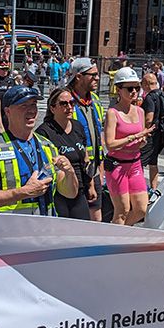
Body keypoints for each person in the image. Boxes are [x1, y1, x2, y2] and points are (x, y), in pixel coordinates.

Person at [0, 85, 78, 214]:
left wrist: (70, 173)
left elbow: (70, 193)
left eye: (33, 104)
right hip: (8, 230)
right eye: (24, 105)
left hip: (43, 230)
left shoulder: (47, 145)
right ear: (8, 111)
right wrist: (24, 192)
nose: (31, 110)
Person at [103, 69, 152, 225]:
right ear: (118, 89)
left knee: (142, 209)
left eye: (137, 88)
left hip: (135, 163)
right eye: (129, 88)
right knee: (122, 210)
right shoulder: (113, 113)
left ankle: (121, 233)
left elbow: (139, 141)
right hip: (117, 166)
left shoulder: (140, 111)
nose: (134, 92)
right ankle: (115, 242)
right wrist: (133, 137)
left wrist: (142, 141)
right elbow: (110, 144)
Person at [36, 88, 92, 220]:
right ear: (53, 108)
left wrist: (91, 186)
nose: (69, 107)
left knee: (83, 231)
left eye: (72, 103)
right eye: (63, 104)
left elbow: (85, 158)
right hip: (59, 192)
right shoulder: (44, 132)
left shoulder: (78, 126)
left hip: (80, 189)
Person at [65, 57, 105, 220]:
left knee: (97, 220)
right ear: (79, 76)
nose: (97, 77)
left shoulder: (94, 101)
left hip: (93, 171)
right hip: (74, 172)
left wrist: (100, 169)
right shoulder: (65, 101)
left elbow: (98, 137)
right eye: (93, 74)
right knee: (76, 221)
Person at [139, 72, 164, 192]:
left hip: (150, 135)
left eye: (142, 83)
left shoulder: (150, 97)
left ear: (146, 83)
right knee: (153, 162)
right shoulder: (162, 95)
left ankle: (140, 187)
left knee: (139, 162)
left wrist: (143, 131)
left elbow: (149, 118)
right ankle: (153, 187)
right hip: (160, 134)